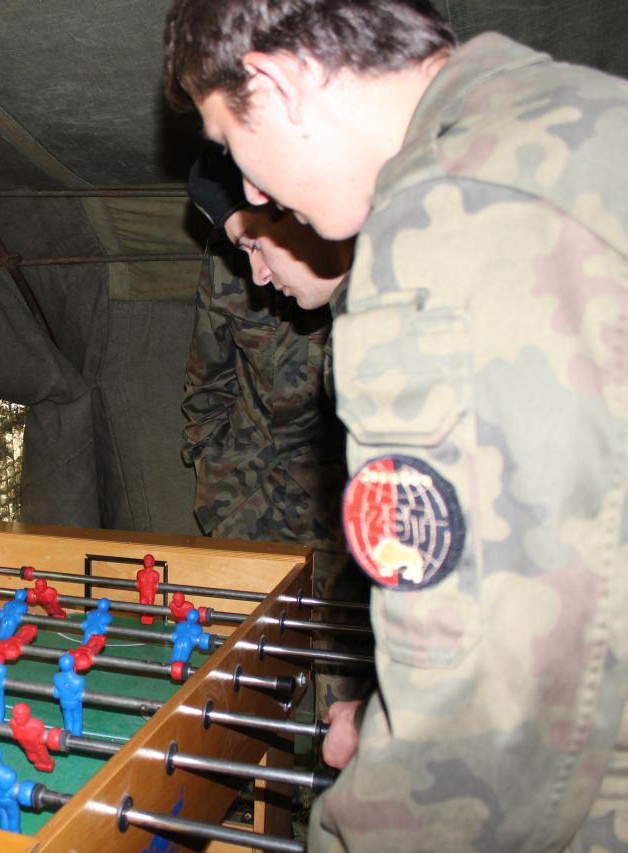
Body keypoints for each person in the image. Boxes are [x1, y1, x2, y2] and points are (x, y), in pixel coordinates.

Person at [164, 1, 628, 849]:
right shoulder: (581, 119)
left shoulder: (439, 230)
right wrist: (388, 707)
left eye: (234, 146)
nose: (256, 194)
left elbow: (479, 735)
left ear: (276, 81)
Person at [186, 146, 371, 712]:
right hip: (248, 498)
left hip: (341, 509)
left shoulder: (378, 289)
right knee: (242, 689)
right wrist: (213, 472)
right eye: (243, 250)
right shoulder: (230, 266)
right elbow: (206, 382)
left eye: (256, 246)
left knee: (344, 691)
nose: (257, 273)